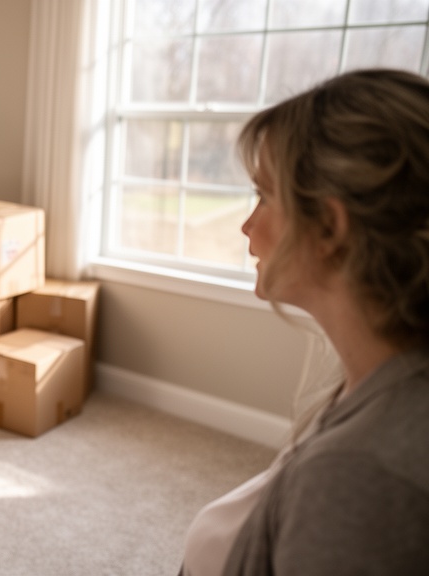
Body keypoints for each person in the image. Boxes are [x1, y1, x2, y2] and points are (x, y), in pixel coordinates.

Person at [181, 68, 429, 575]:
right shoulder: (379, 378)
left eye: (266, 196)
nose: (247, 225)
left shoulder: (362, 477)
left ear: (331, 227)